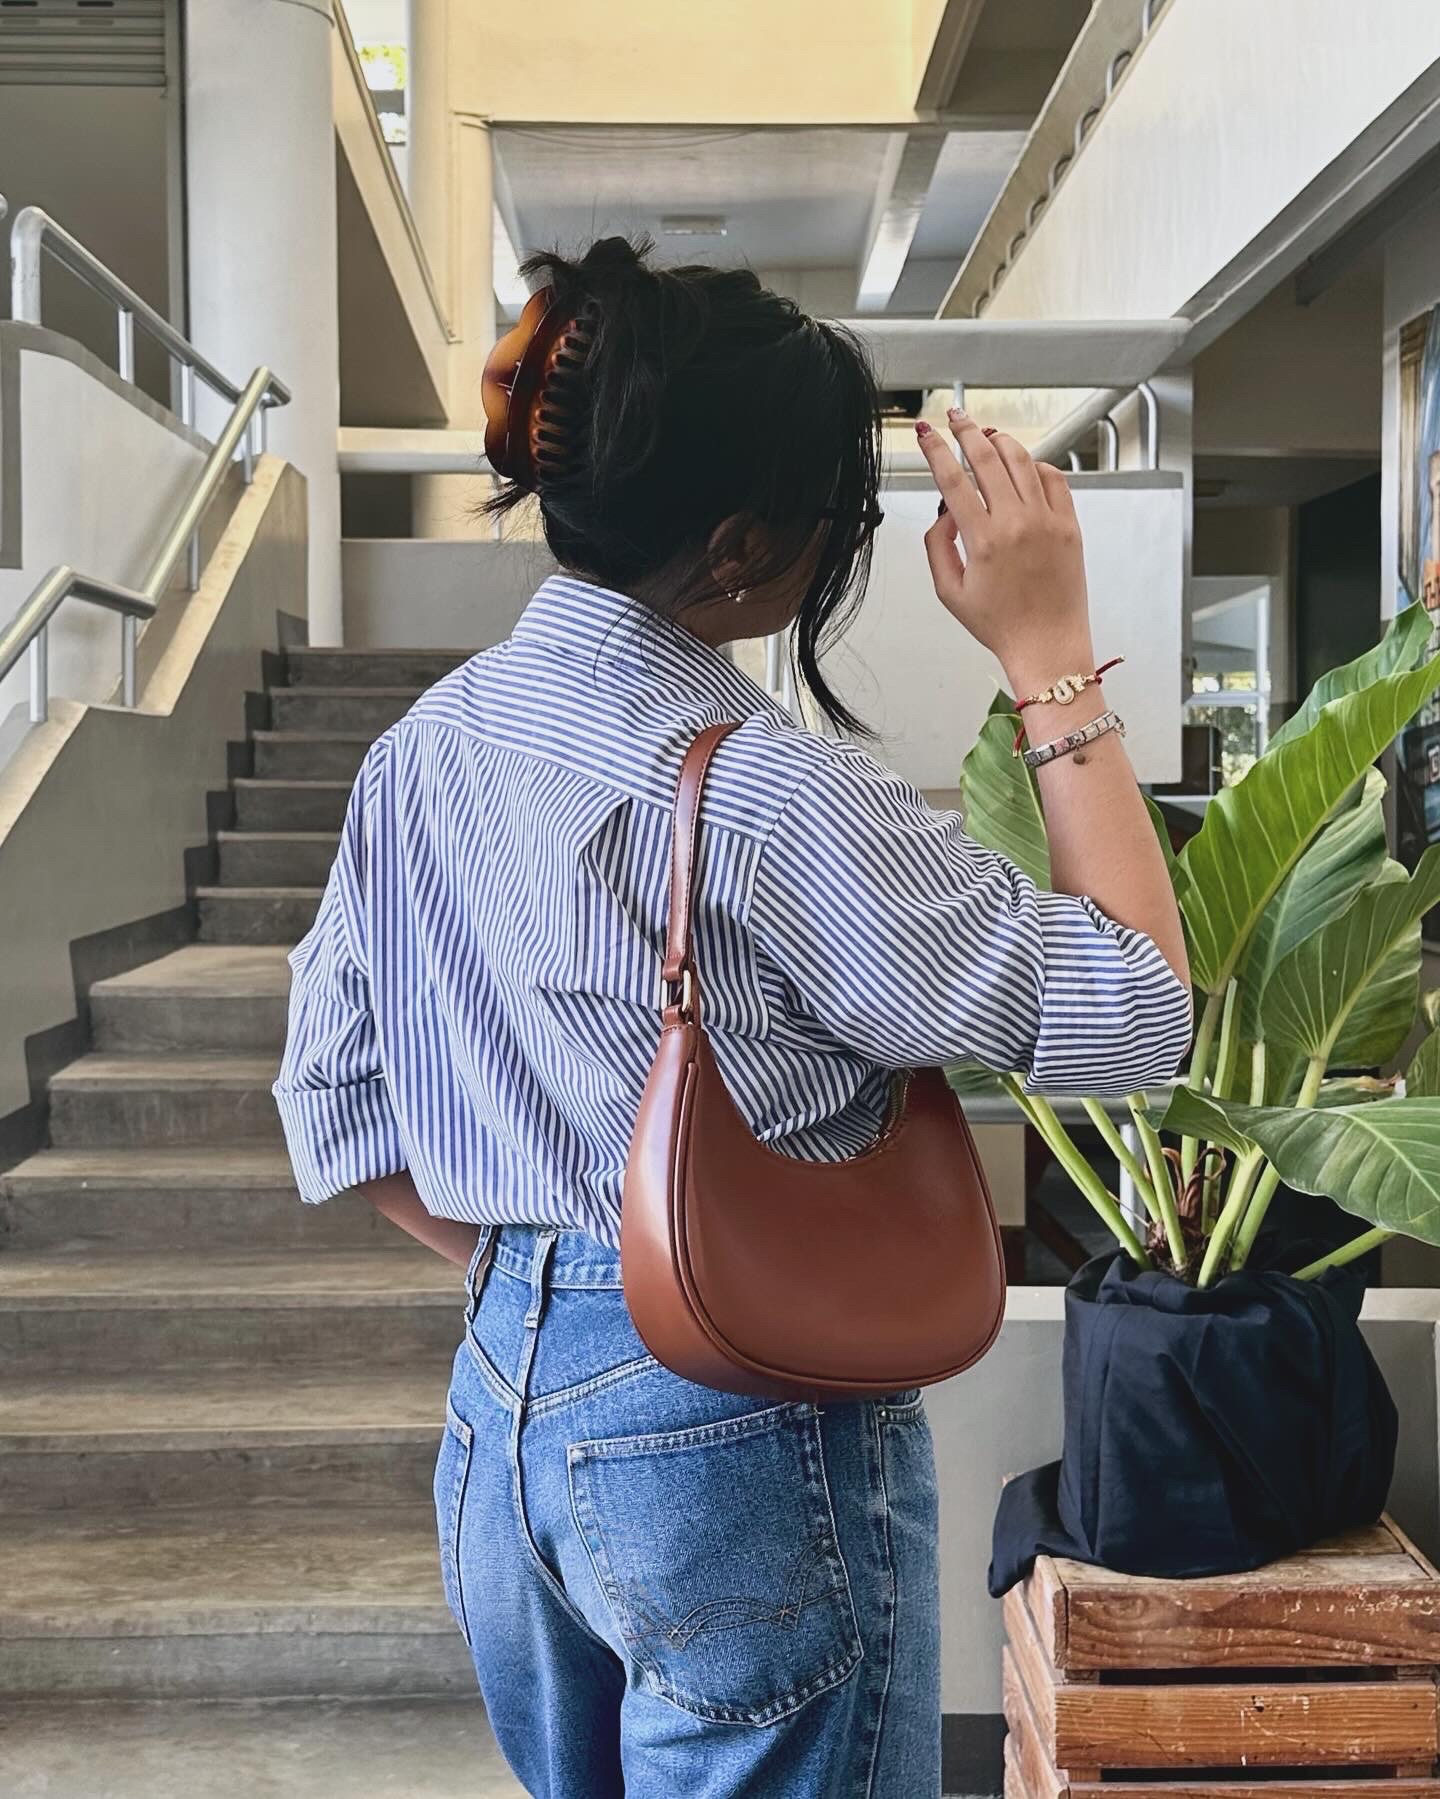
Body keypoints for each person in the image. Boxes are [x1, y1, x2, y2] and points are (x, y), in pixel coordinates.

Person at [273, 236, 1190, 1798]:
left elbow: (336, 1108)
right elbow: (1136, 1007)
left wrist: (562, 1274)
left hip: (504, 1415)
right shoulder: (764, 794)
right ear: (745, 546)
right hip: (731, 1424)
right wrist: (1047, 651)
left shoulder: (421, 754)